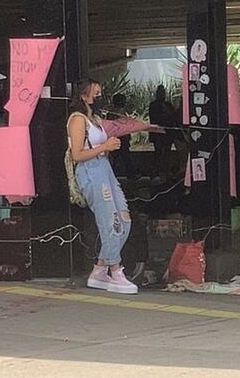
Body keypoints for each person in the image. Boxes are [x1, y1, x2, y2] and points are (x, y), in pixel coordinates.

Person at [68, 79, 138, 294]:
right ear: (83, 95)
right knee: (110, 220)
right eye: (95, 93)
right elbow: (77, 154)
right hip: (90, 172)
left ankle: (100, 268)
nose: (99, 96)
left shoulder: (96, 119)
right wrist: (104, 146)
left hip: (104, 168)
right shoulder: (77, 120)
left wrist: (107, 148)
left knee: (124, 218)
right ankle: (115, 270)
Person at [148, 85, 182, 178]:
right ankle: (157, 172)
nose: (162, 94)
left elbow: (174, 116)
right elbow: (155, 119)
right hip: (158, 133)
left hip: (167, 133)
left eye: (163, 92)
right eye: (160, 92)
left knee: (167, 152)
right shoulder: (154, 105)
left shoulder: (167, 105)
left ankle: (166, 172)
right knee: (158, 153)